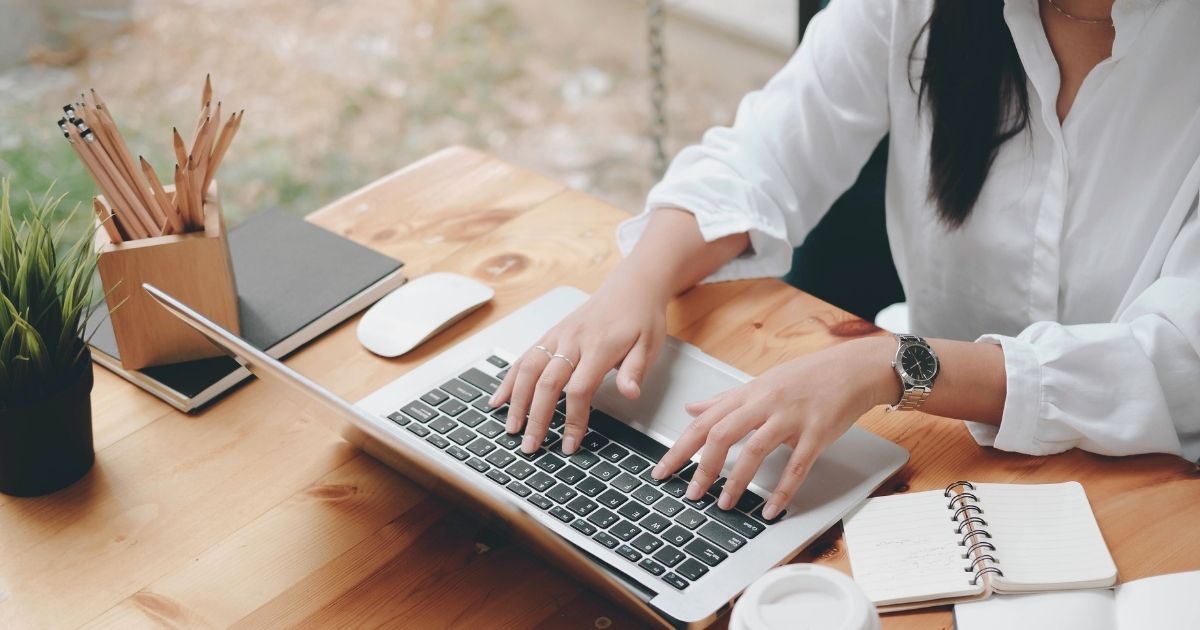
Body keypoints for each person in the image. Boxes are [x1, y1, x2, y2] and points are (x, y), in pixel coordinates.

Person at [491, 0, 1200, 522]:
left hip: (1151, 479)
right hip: (934, 442)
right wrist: (635, 285)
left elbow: (1176, 361)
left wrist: (893, 365)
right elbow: (763, 153)